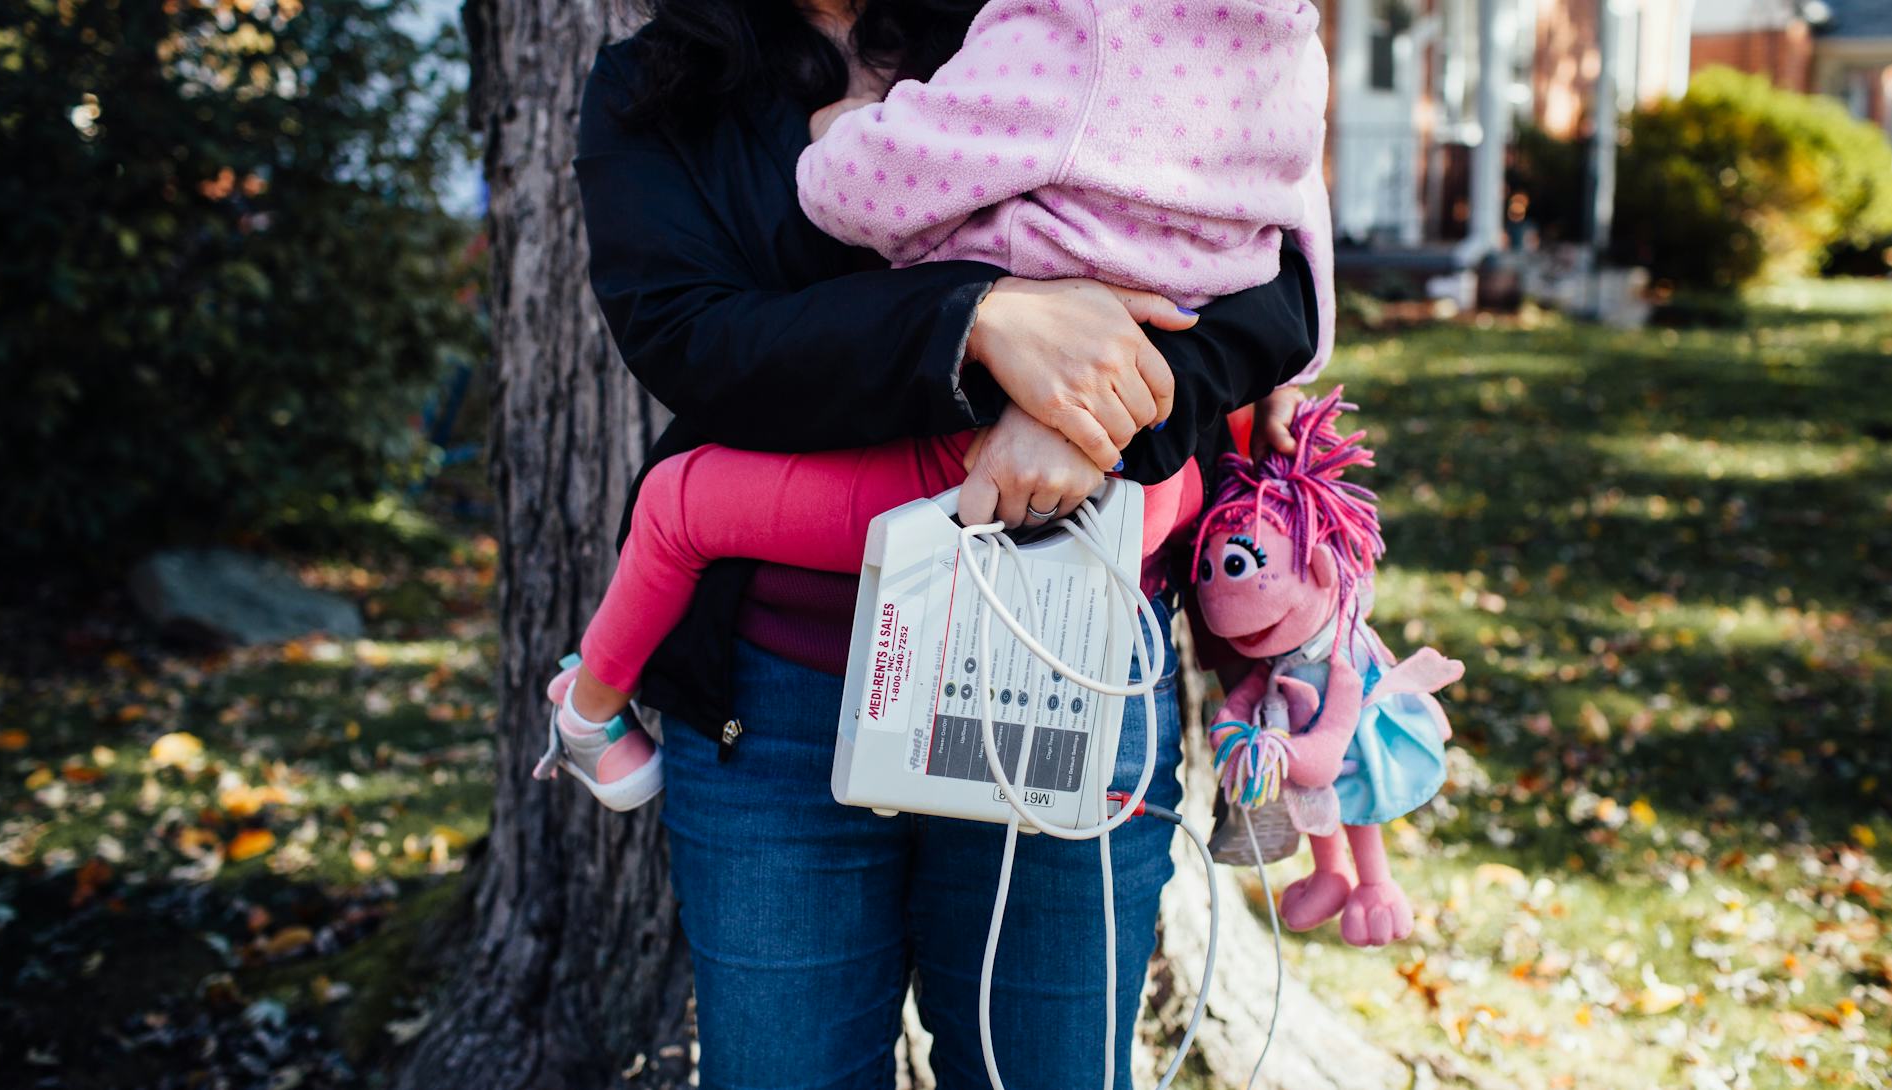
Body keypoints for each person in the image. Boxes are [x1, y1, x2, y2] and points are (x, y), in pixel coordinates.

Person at [567, 1, 1324, 1086]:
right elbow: (691, 338)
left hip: (1059, 669)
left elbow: (1266, 288)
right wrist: (977, 323)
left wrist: (1090, 419)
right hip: (775, 710)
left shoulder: (1057, 17)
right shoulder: (656, 87)